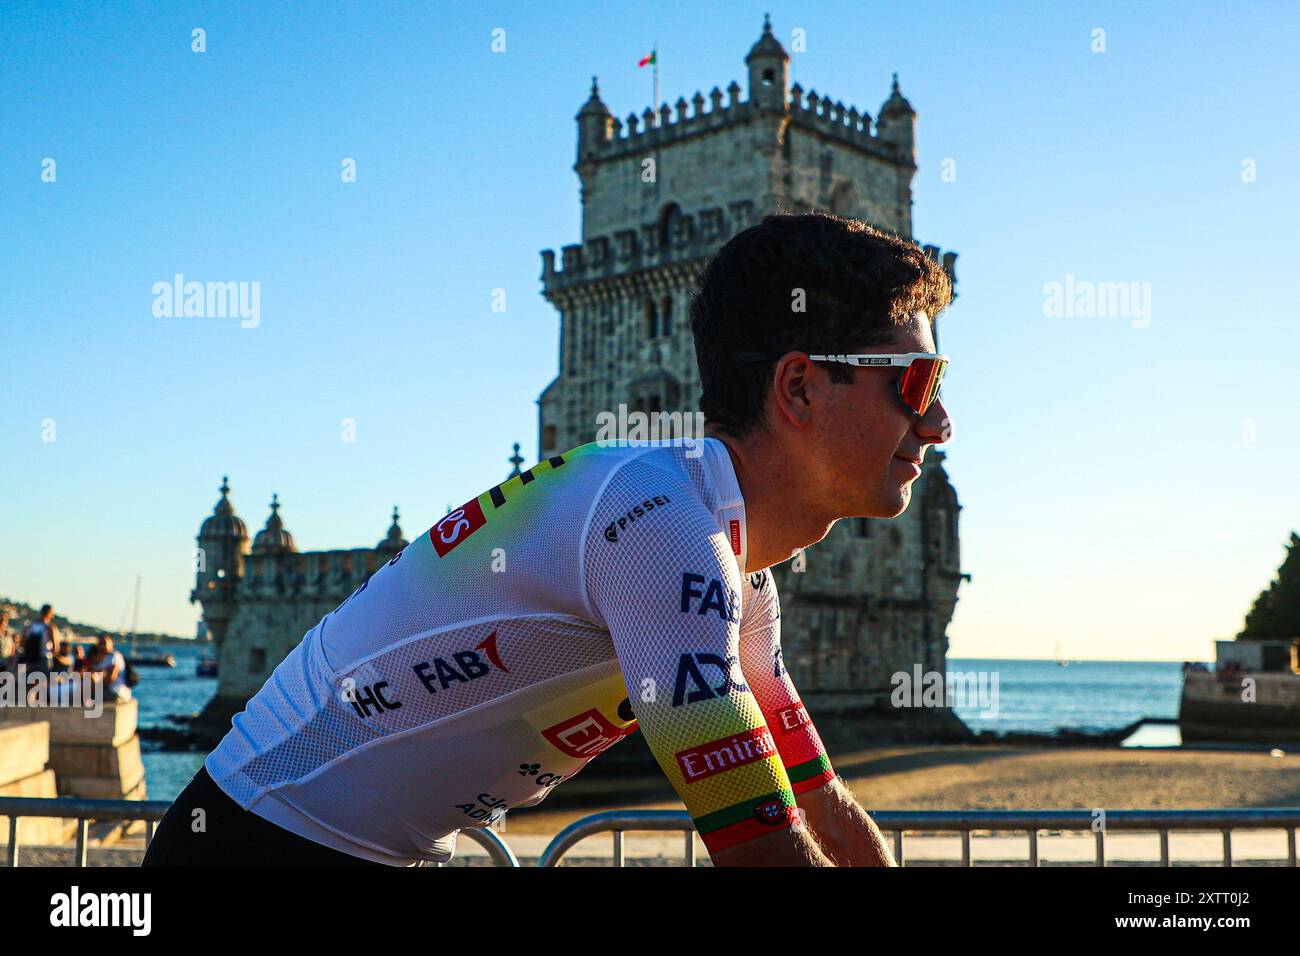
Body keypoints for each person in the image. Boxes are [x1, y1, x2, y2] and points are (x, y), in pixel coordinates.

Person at [144, 212, 954, 868]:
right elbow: (760, 847)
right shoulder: (659, 525)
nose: (940, 423)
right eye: (914, 384)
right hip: (253, 845)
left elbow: (822, 808)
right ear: (800, 387)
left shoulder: (737, 572)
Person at [85, 635, 132, 702]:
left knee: (82, 695)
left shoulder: (114, 657)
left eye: (104, 643)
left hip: (116, 691)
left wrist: (96, 680)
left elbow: (111, 678)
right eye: (100, 644)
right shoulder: (105, 657)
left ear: (111, 644)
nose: (102, 646)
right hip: (110, 690)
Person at [21, 604, 59, 674]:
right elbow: (56, 648)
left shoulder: (30, 626)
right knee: (43, 682)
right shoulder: (50, 628)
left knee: (28, 682)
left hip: (30, 658)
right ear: (50, 613)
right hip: (44, 658)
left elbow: (22, 643)